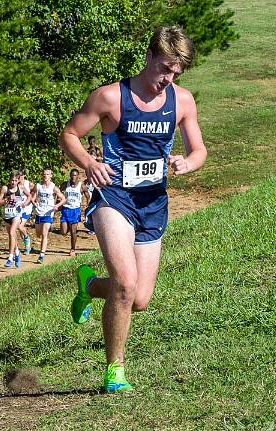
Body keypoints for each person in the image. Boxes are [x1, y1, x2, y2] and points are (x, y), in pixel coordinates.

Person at [59, 25, 207, 392]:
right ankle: (114, 371)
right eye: (164, 69)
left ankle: (90, 285)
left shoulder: (183, 101)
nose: (168, 79)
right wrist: (89, 164)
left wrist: (188, 163)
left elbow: (199, 150)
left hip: (153, 203)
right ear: (148, 57)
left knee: (138, 298)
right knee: (125, 284)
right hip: (114, 198)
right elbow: (70, 134)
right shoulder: (110, 97)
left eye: (176, 73)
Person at [0, 171, 30, 268]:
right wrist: (6, 199)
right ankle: (17, 253)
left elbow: (30, 196)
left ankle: (10, 258)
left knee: (11, 233)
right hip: (7, 215)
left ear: (18, 180)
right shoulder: (5, 188)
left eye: (15, 180)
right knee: (12, 236)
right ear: (9, 180)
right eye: (12, 180)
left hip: (17, 215)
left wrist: (25, 203)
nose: (13, 182)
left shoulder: (21, 188)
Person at [33, 168, 66, 263]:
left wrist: (57, 205)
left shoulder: (53, 187)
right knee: (38, 234)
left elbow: (63, 199)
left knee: (44, 233)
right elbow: (33, 196)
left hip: (48, 213)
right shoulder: (38, 186)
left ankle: (41, 255)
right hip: (39, 212)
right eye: (44, 174)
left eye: (47, 174)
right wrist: (33, 202)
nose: (45, 176)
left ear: (51, 176)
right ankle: (41, 249)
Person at [60, 168, 90, 257]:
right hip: (65, 209)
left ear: (78, 177)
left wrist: (87, 206)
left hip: (75, 210)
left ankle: (72, 249)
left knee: (73, 232)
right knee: (63, 232)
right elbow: (58, 192)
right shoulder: (65, 185)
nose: (73, 177)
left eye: (75, 175)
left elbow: (88, 196)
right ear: (70, 176)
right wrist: (58, 203)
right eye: (72, 175)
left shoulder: (82, 186)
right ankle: (68, 228)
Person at [17, 167, 34, 254]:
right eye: (18, 176)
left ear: (24, 175)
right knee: (19, 228)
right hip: (18, 208)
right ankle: (27, 245)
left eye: (20, 176)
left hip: (27, 208)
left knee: (20, 226)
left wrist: (33, 202)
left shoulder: (29, 184)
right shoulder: (16, 184)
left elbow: (34, 192)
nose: (19, 177)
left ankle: (27, 242)